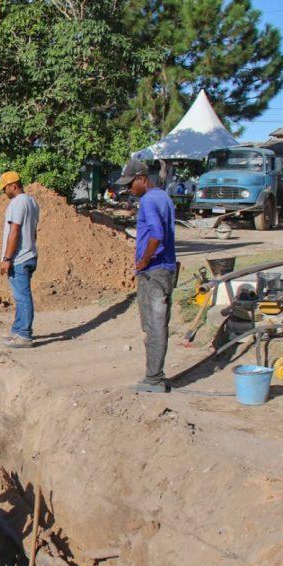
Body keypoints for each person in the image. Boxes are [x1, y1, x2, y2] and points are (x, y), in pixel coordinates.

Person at [117, 159, 177, 393]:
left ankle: (153, 379)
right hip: (165, 268)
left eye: (130, 184)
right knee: (157, 323)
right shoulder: (163, 197)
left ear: (141, 178)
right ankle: (154, 375)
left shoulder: (149, 201)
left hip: (154, 270)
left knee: (154, 325)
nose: (129, 189)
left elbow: (157, 235)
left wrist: (144, 260)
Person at [0, 171, 39, 348]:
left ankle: (24, 336)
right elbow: (33, 232)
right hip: (30, 255)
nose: (4, 192)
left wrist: (7, 258)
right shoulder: (32, 202)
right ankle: (17, 331)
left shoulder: (17, 203)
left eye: (5, 188)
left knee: (22, 298)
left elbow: (14, 232)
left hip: (19, 258)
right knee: (21, 296)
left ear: (13, 186)